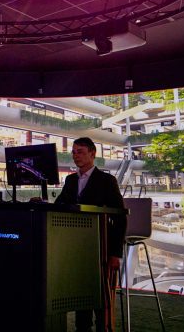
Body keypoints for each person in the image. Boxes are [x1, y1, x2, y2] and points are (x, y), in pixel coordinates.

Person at [55, 137, 126, 332]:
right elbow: (59, 206)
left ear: (92, 154)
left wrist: (115, 253)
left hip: (101, 246)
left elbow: (120, 217)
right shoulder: (70, 180)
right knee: (81, 295)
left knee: (102, 300)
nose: (75, 155)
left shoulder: (107, 181)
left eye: (80, 151)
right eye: (74, 152)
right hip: (76, 248)